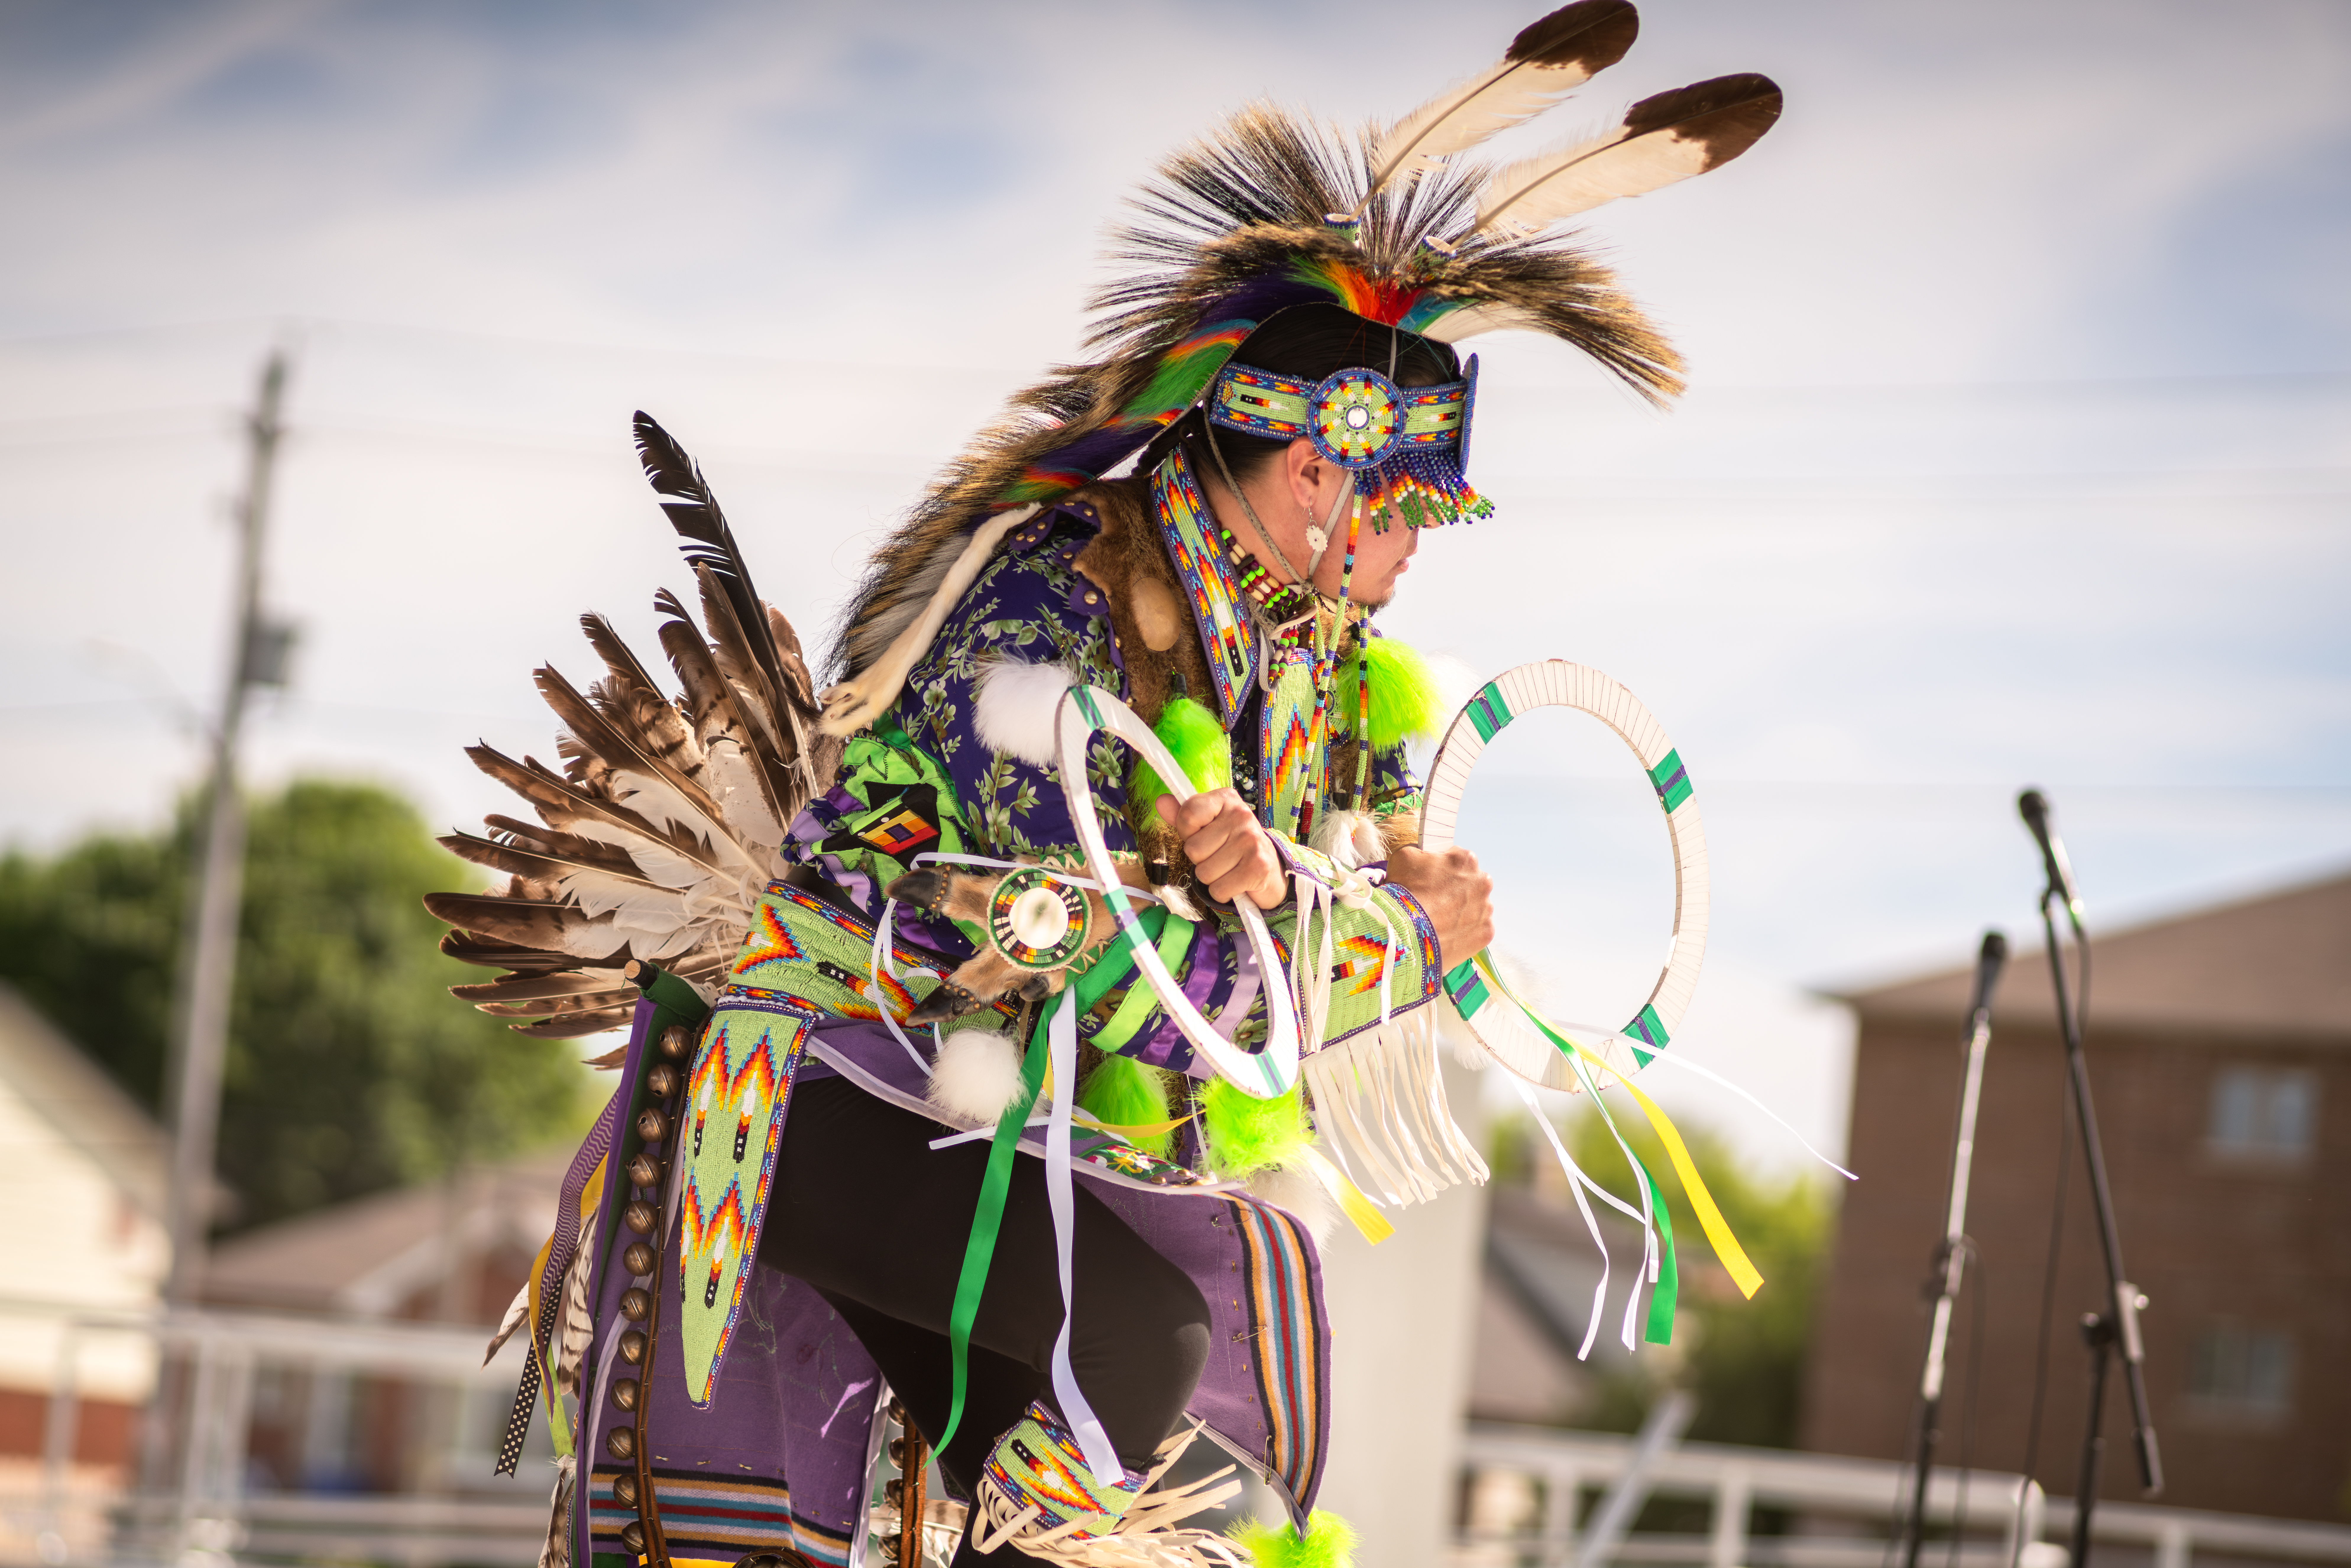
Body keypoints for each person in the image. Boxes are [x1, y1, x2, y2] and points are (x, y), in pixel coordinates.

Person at [435, 11, 1780, 1567]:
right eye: (1407, 511)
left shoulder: (1304, 675)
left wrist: (1403, 916)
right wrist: (1373, 942)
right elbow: (1147, 977)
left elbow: (1279, 971)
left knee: (1118, 1398)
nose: (1415, 555)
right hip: (800, 1087)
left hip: (967, 1122)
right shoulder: (1041, 608)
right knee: (1135, 1341)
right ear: (1311, 473)